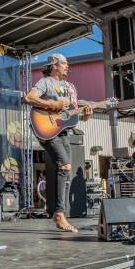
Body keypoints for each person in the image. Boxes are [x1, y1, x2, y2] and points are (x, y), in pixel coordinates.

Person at [24, 53, 93, 232]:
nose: (67, 67)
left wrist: (86, 114)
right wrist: (52, 105)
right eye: (64, 63)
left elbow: (74, 115)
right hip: (45, 127)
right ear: (54, 65)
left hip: (62, 130)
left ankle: (59, 213)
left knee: (66, 169)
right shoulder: (46, 82)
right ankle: (59, 214)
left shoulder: (71, 88)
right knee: (64, 165)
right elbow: (29, 98)